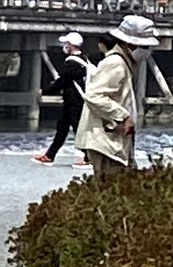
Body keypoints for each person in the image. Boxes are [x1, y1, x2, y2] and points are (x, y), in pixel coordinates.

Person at [80, 13, 162, 174]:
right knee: (112, 189)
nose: (147, 51)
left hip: (115, 141)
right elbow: (93, 96)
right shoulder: (115, 63)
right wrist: (123, 117)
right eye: (144, 47)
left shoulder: (123, 63)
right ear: (128, 44)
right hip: (107, 144)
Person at [34, 30, 87, 165]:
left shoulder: (72, 63)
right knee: (62, 129)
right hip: (73, 100)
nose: (65, 46)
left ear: (72, 45)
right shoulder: (84, 59)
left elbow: (63, 81)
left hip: (74, 101)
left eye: (66, 43)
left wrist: (45, 90)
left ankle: (89, 157)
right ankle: (50, 155)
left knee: (77, 129)